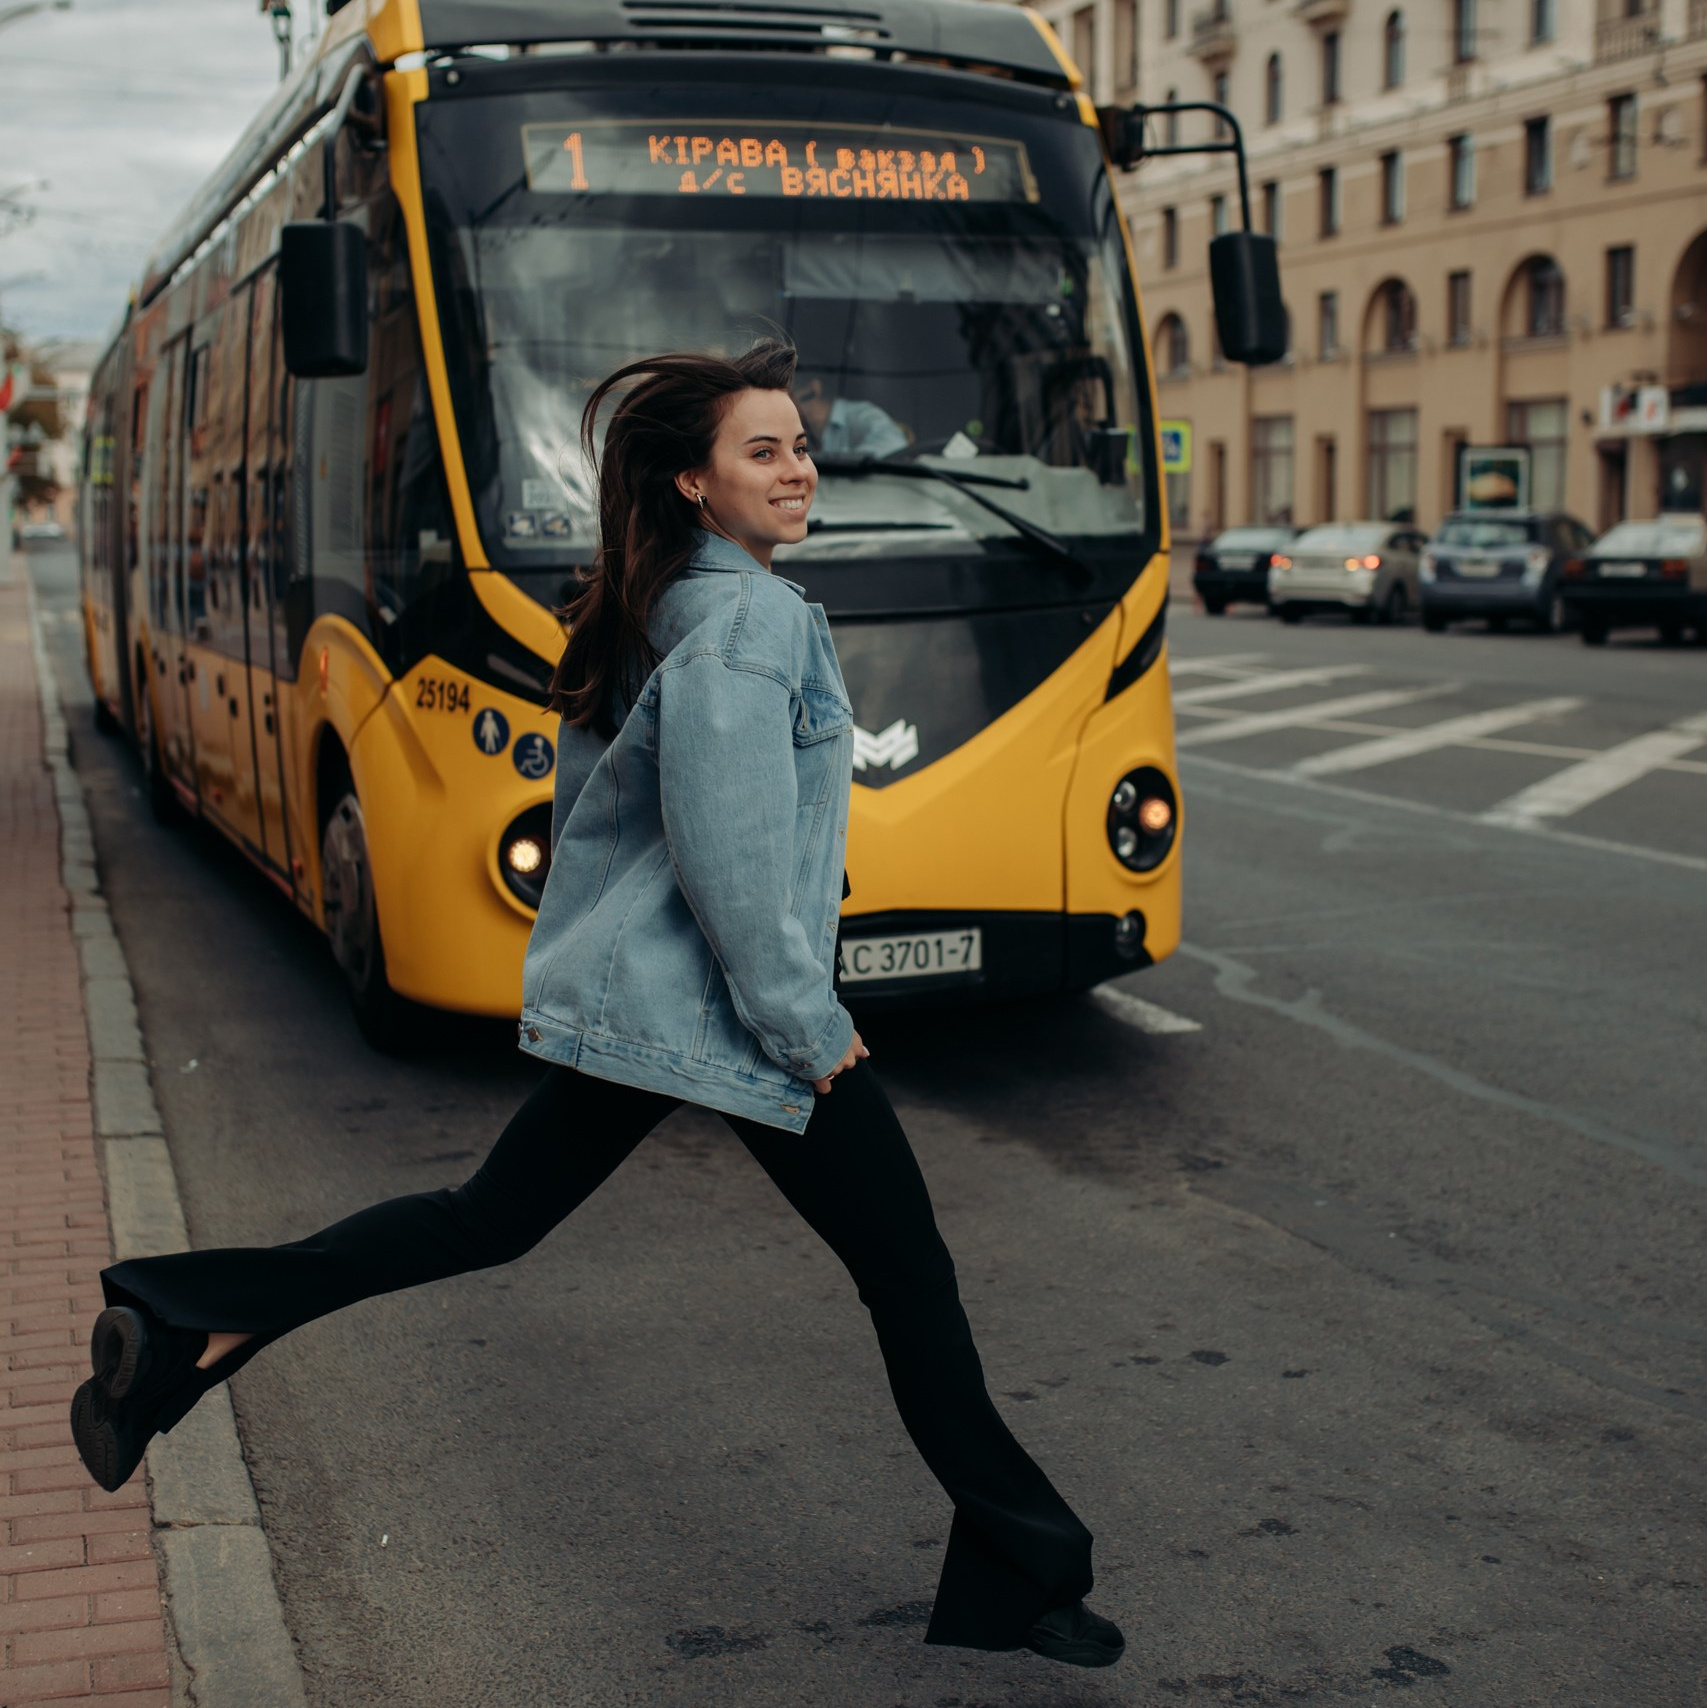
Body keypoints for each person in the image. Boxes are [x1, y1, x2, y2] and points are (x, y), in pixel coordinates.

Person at [68, 341, 1123, 1670]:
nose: (797, 469)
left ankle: (186, 1323)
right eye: (761, 451)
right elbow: (731, 859)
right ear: (690, 481)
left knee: (487, 1221)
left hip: (658, 1005)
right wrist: (806, 1027)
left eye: (800, 446)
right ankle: (1019, 1569)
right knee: (906, 1273)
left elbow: (604, 818)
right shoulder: (748, 622)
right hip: (735, 1016)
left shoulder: (662, 599)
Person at [795, 372, 910, 458]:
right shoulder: (799, 431)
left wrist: (839, 464)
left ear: (813, 389)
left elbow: (894, 445)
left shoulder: (860, 416)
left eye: (787, 394)